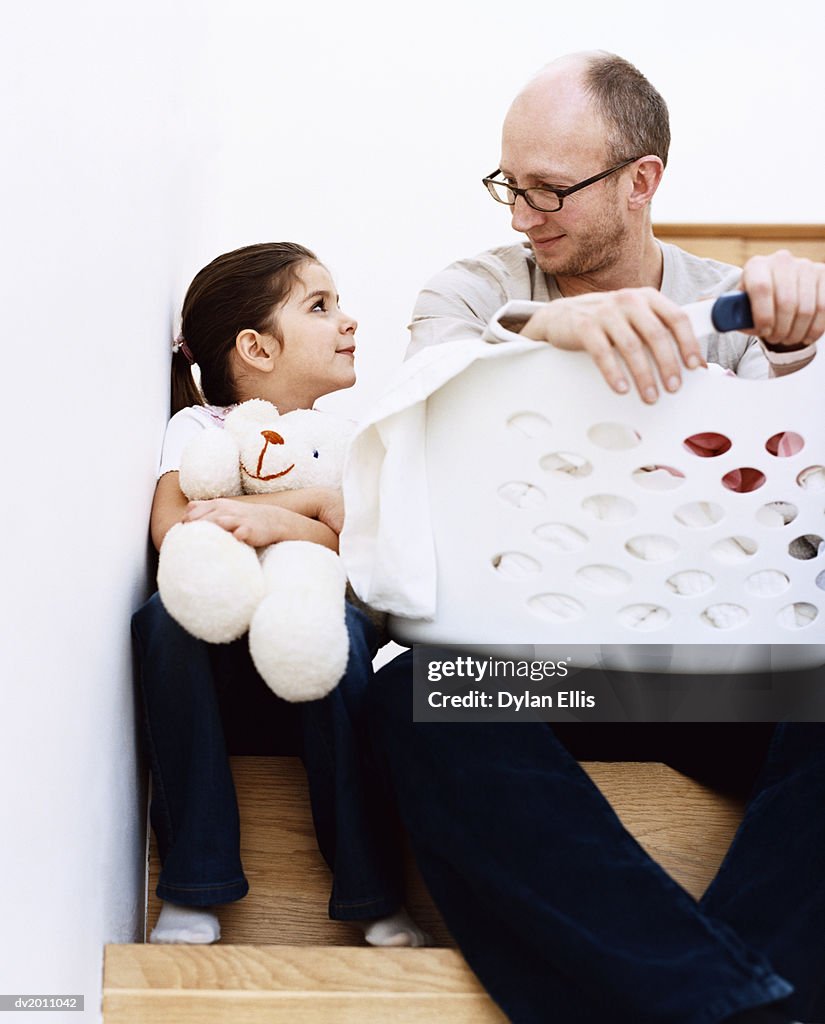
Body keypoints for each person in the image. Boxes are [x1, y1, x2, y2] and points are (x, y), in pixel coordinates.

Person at [363, 53, 825, 1024]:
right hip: (547, 666)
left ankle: (724, 1002)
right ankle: (736, 1006)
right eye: (509, 186)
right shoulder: (473, 288)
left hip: (701, 664)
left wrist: (800, 337)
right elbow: (428, 388)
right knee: (409, 694)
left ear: (640, 182)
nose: (523, 215)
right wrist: (551, 330)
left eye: (548, 190)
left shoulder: (735, 303)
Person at [132, 242, 429, 948]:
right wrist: (311, 507)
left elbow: (361, 547)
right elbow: (172, 527)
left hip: (316, 670)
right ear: (255, 348)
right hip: (223, 675)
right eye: (321, 307)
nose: (348, 322)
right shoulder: (200, 428)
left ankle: (372, 891)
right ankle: (193, 882)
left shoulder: (352, 440)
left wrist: (270, 514)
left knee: (341, 629)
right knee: (160, 621)